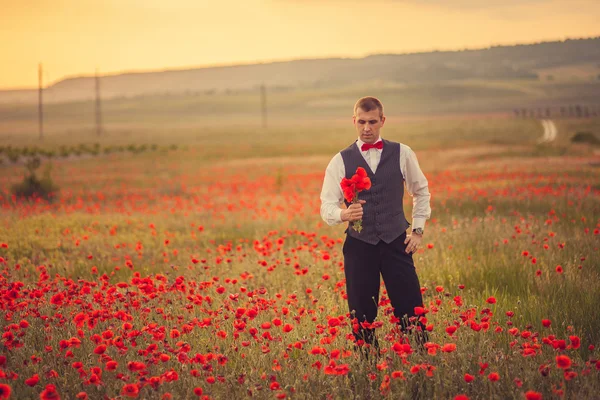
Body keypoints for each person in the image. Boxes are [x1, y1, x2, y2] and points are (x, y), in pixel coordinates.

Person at [320, 96, 431, 354]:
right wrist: (343, 215)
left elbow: (421, 191)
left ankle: (423, 363)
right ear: (354, 121)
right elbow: (326, 206)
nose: (367, 128)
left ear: (382, 121)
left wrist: (417, 230)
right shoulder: (340, 160)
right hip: (359, 247)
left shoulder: (403, 153)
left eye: (372, 122)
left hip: (396, 243)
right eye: (361, 122)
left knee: (411, 308)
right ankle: (368, 366)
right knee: (361, 314)